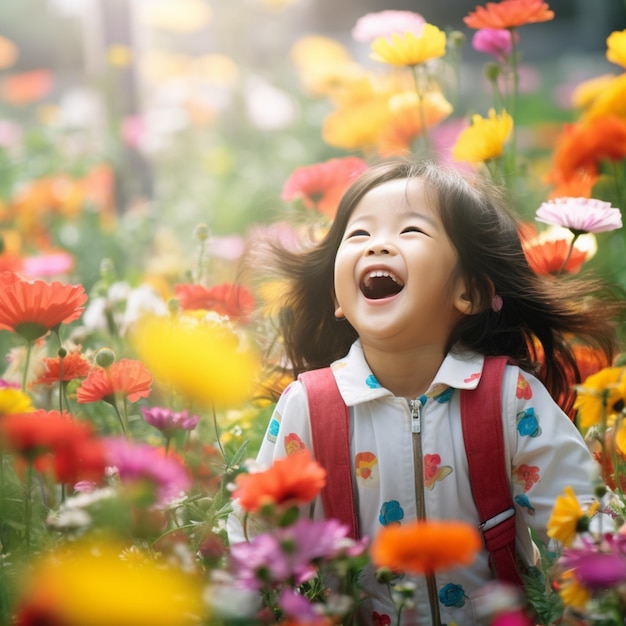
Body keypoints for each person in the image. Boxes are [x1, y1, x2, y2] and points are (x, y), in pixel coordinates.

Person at [229, 157, 623, 625]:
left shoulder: (509, 398)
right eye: (358, 235)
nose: (377, 246)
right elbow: (256, 545)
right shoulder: (310, 407)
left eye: (410, 231)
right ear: (337, 298)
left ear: (470, 293)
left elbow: (583, 522)